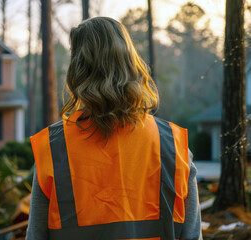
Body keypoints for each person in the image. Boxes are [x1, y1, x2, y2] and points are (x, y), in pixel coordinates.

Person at [26, 17, 202, 240]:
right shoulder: (173, 146)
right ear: (130, 62)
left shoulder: (54, 148)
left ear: (77, 68)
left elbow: (36, 236)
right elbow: (192, 235)